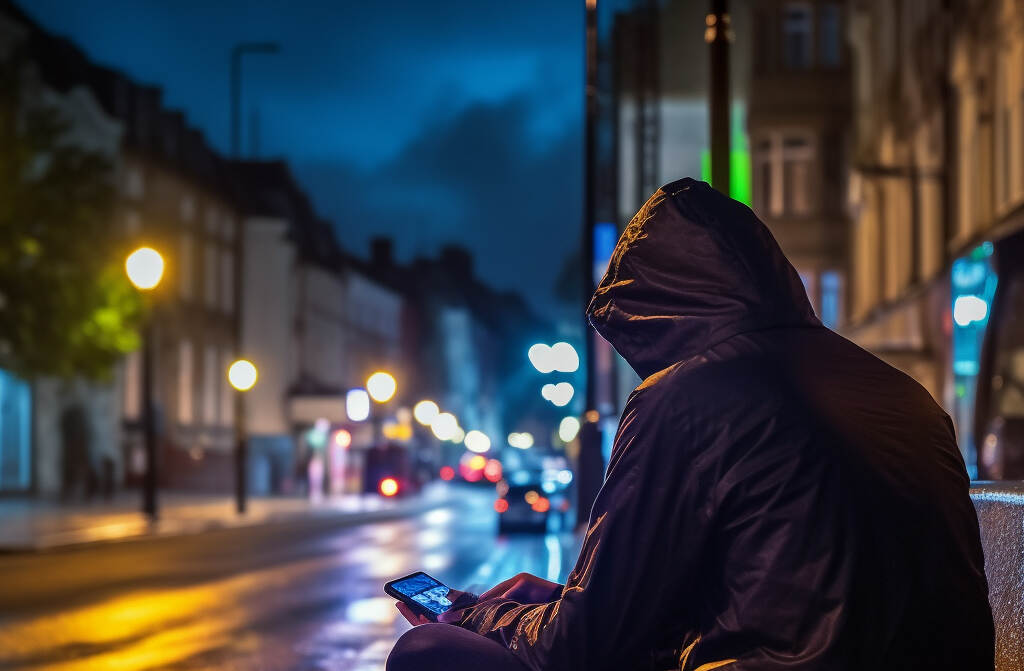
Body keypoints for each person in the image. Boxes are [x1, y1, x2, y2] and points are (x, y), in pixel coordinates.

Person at [388, 178, 994, 671]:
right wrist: (557, 602)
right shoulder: (902, 392)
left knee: (428, 653)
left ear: (655, 316)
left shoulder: (684, 397)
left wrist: (472, 615)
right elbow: (772, 597)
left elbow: (579, 647)